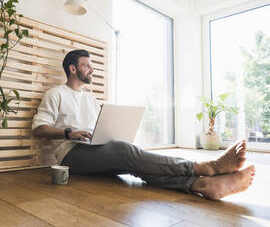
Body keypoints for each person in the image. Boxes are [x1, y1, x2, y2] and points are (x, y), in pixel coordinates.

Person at [32, 49, 255, 200]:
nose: (92, 70)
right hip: (71, 157)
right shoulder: (56, 94)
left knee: (136, 161)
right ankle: (204, 167)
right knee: (124, 150)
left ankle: (202, 186)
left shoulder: (91, 100)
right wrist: (69, 133)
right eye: (87, 66)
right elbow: (39, 128)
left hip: (95, 151)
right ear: (73, 69)